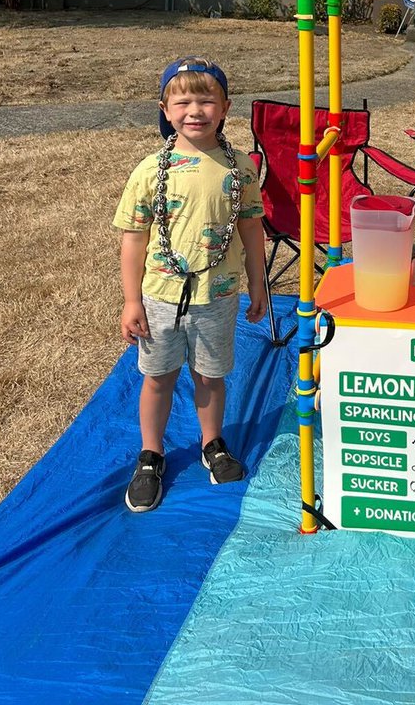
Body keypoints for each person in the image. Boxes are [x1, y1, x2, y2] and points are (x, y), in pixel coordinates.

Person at [113, 57, 267, 513]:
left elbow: (252, 228)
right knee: (158, 377)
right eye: (182, 101)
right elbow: (133, 239)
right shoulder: (148, 170)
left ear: (225, 108)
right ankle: (151, 455)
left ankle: (212, 442)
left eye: (206, 100)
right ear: (164, 107)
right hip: (160, 297)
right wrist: (130, 300)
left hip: (217, 298)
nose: (194, 110)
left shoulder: (240, 168)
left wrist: (258, 285)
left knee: (210, 375)